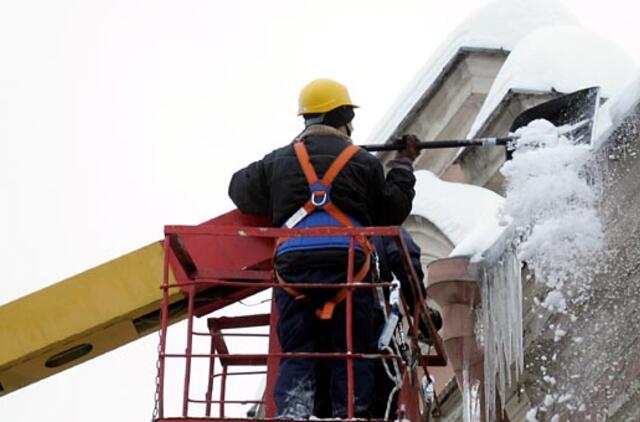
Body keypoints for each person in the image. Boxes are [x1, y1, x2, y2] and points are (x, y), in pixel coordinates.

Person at [228, 78, 419, 419]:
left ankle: (294, 412)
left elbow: (239, 188)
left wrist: (291, 158)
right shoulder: (362, 162)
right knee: (351, 349)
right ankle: (352, 412)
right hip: (348, 266)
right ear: (344, 116)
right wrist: (403, 164)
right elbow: (393, 210)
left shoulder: (279, 162)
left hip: (294, 268)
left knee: (298, 350)